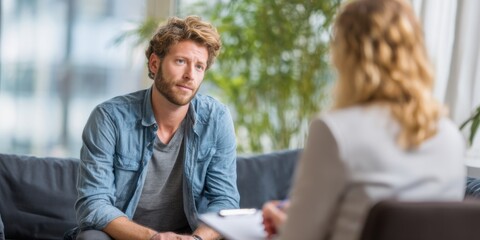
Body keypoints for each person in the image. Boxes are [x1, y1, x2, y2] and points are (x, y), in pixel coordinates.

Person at [262, 0, 466, 239]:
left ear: (346, 54)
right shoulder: (450, 136)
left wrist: (281, 220)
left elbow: (298, 237)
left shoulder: (335, 131)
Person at [65, 16, 239, 240]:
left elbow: (225, 201)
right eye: (180, 61)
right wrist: (153, 238)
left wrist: (197, 239)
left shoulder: (217, 119)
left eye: (199, 66)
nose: (190, 75)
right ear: (155, 64)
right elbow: (93, 203)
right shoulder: (109, 118)